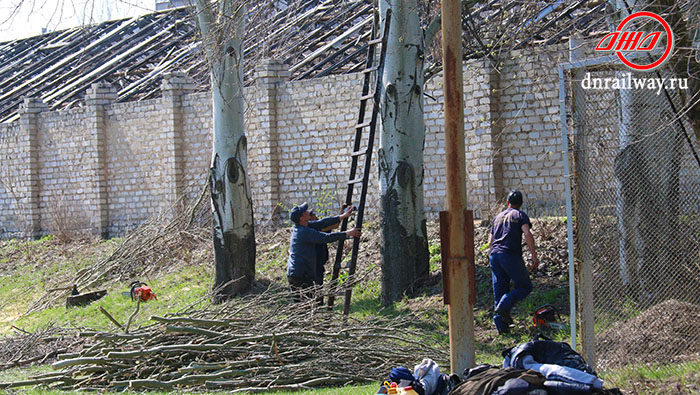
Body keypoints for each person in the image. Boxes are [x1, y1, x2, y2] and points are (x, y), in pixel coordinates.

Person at [488, 190, 539, 334]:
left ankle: (502, 328)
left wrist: (492, 256)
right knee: (524, 287)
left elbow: (490, 241)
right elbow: (527, 233)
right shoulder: (520, 215)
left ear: (507, 203)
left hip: (494, 255)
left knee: (500, 289)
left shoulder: (497, 217)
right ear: (521, 204)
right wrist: (534, 255)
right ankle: (504, 305)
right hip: (509, 255)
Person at [287, 202, 360, 301]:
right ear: (301, 218)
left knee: (306, 303)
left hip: (299, 273)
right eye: (305, 211)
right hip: (301, 275)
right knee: (306, 304)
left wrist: (342, 216)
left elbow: (323, 222)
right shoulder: (304, 232)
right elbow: (326, 237)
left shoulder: (305, 226)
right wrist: (347, 233)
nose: (308, 211)